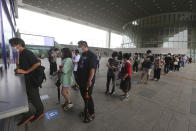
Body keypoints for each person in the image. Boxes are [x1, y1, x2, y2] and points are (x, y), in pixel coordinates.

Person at [9, 38, 44, 126]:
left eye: (12, 45)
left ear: (19, 44)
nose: (12, 47)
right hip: (26, 80)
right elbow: (19, 64)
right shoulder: (20, 53)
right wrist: (19, 68)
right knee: (31, 96)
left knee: (34, 97)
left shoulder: (27, 52)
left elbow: (37, 63)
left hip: (32, 80)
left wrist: (26, 71)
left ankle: (40, 112)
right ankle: (32, 112)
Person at [77, 41, 97, 123]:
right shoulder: (83, 55)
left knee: (88, 97)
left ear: (84, 46)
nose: (78, 48)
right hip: (81, 81)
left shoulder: (92, 55)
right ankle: (86, 110)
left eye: (79, 46)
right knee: (84, 96)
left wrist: (89, 80)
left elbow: (92, 69)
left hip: (87, 81)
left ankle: (91, 113)